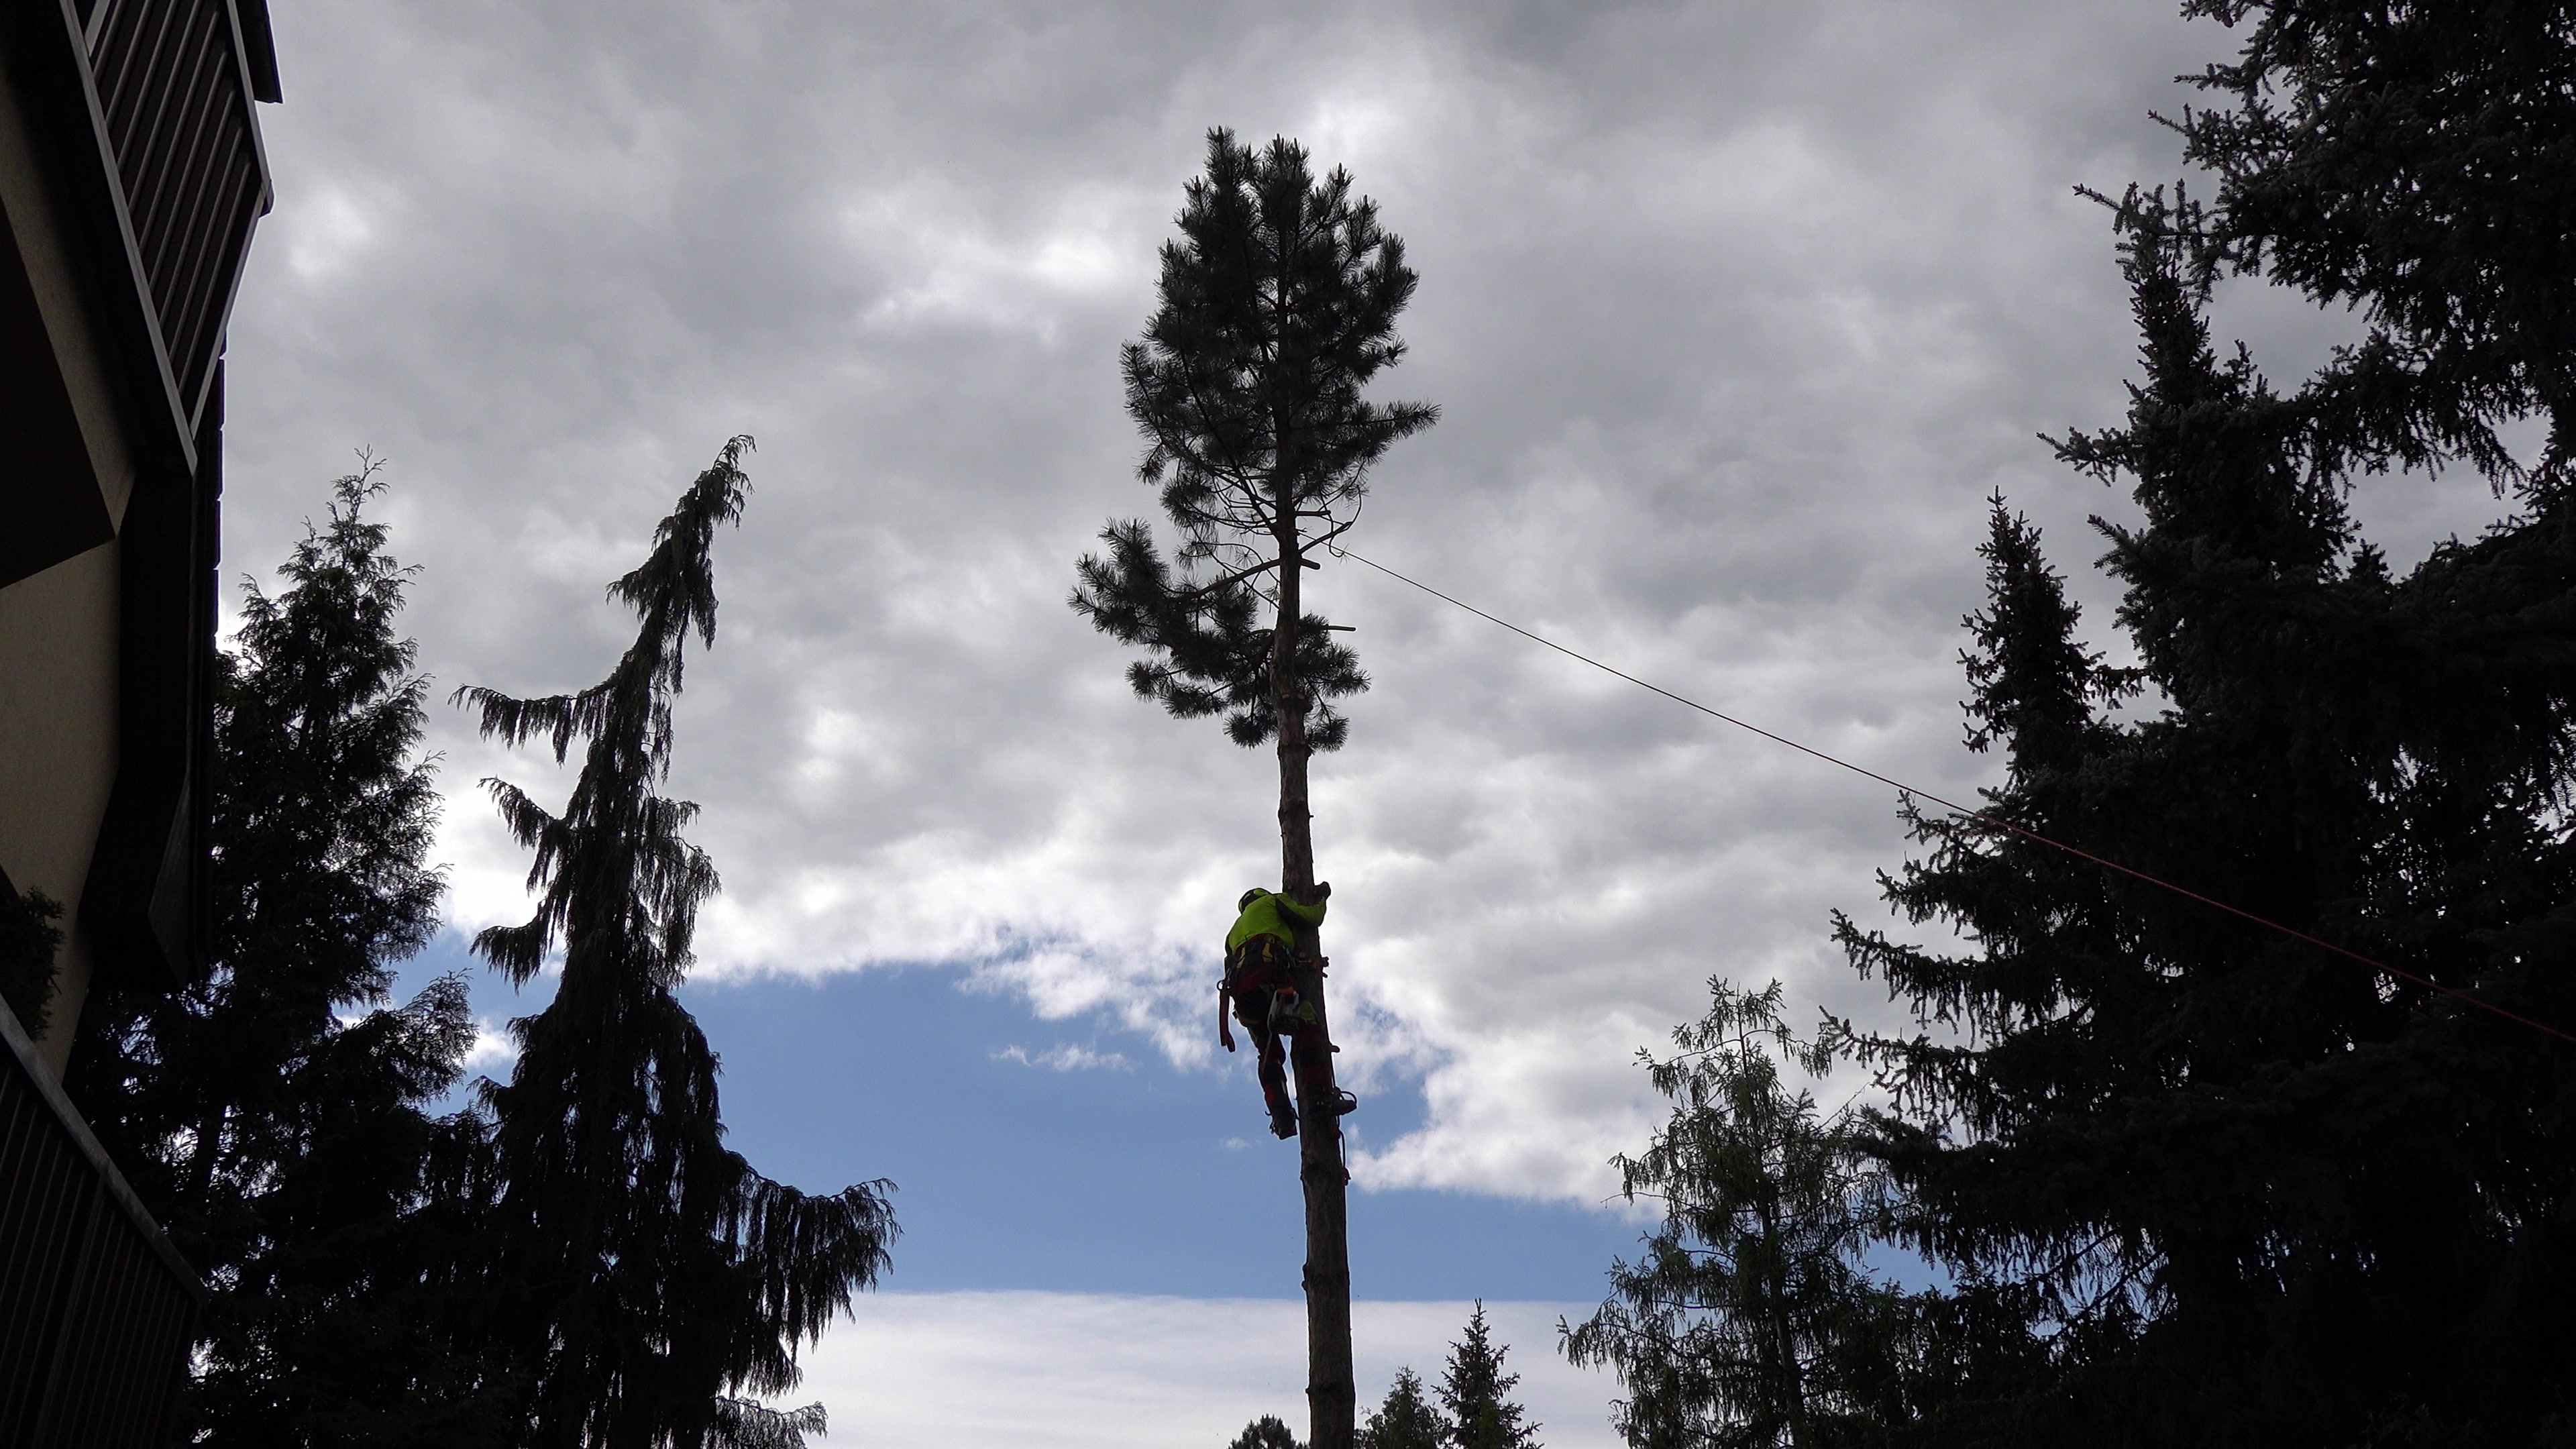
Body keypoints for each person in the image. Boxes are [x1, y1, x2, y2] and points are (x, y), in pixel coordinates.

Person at [1219, 882, 1356, 1138]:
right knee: (1308, 1027)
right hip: (1271, 978)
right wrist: (1322, 898)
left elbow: (1229, 969)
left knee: (1268, 1054)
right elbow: (1311, 918)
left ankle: (1281, 1116)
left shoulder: (1232, 934)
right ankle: (1320, 1101)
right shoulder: (1272, 901)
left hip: (1244, 998)